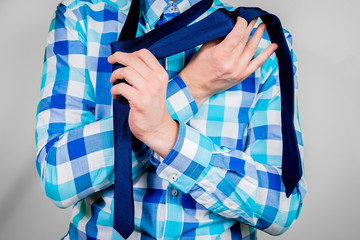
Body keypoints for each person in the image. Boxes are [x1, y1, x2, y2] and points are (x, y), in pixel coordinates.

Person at [35, 0, 307, 239]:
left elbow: (281, 206)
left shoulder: (258, 44)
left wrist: (164, 133)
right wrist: (192, 87)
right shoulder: (81, 19)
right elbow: (58, 178)